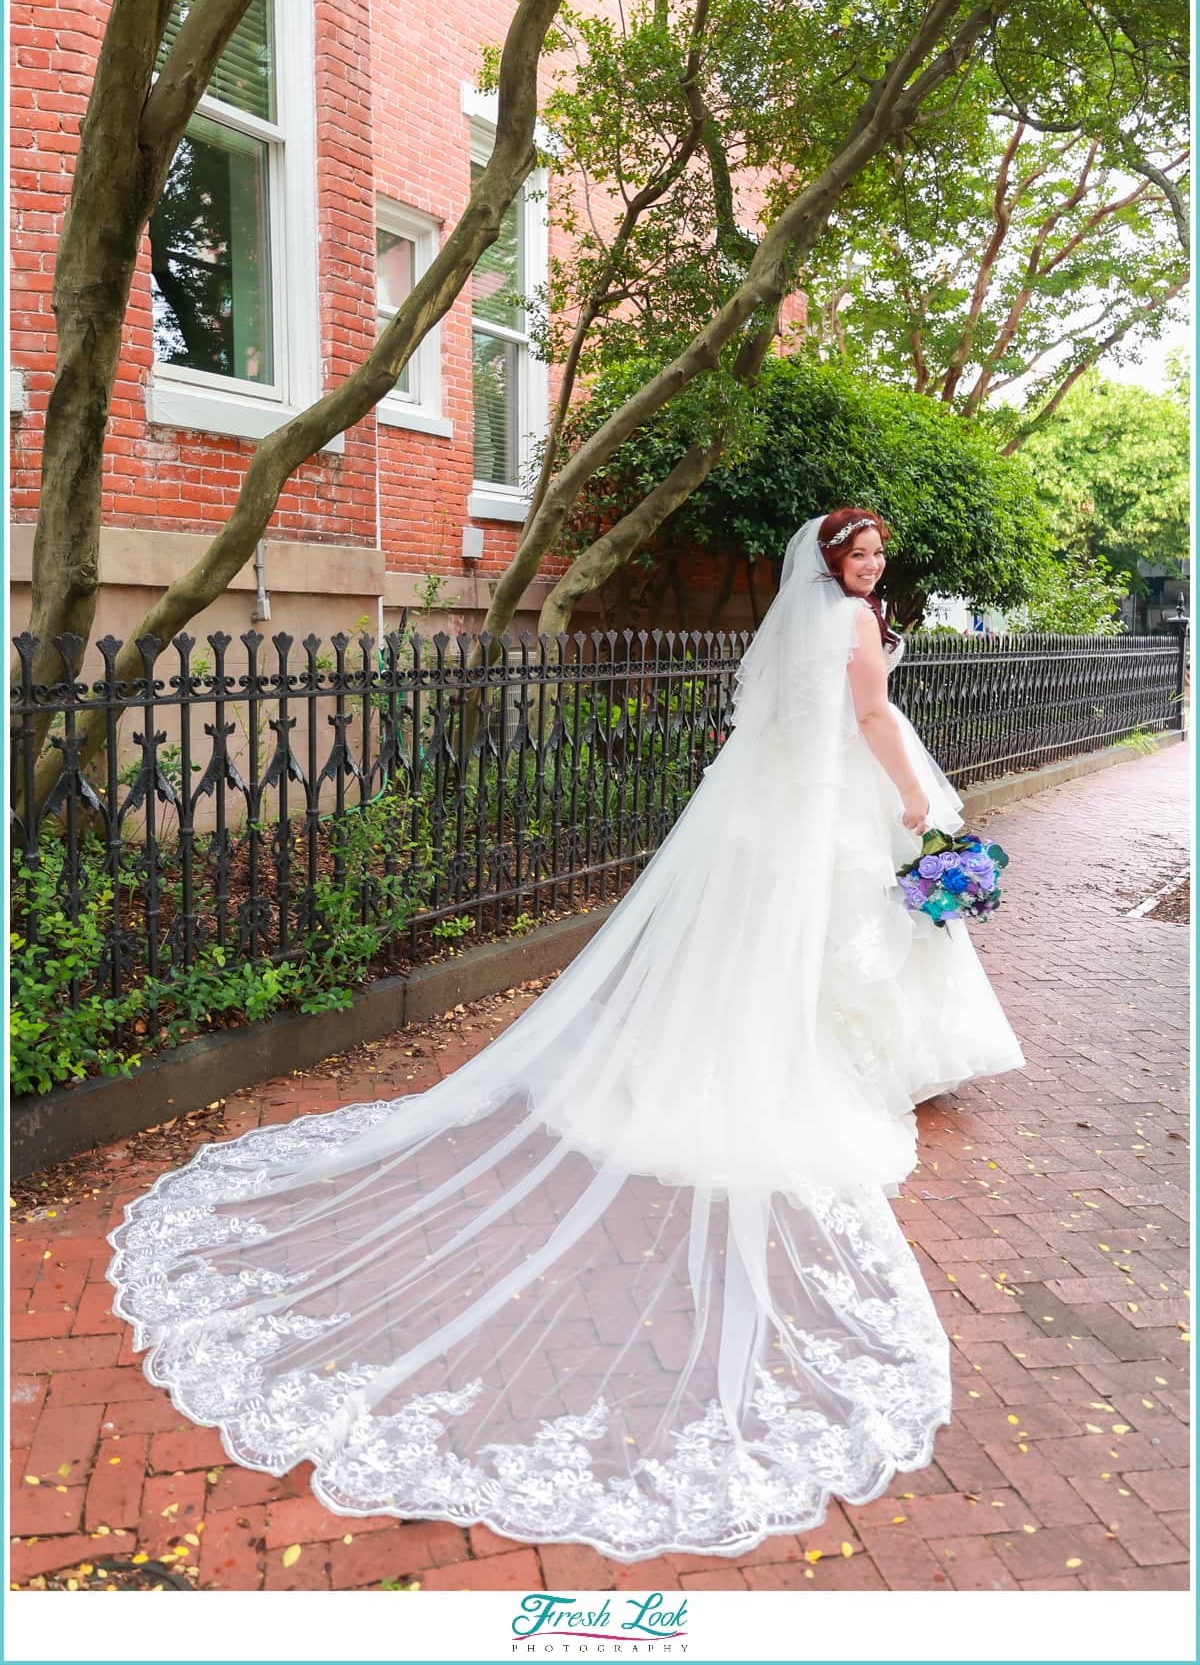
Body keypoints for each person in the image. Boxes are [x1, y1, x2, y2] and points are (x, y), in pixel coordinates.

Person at [105, 510, 1023, 1563]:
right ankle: (829, 1061)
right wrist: (919, 806)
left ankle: (793, 1045)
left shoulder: (794, 620)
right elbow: (870, 719)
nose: (871, 569)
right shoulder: (851, 625)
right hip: (839, 798)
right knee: (828, 933)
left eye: (877, 557)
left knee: (768, 937)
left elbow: (762, 712)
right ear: (830, 563)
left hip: (777, 798)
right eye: (859, 557)